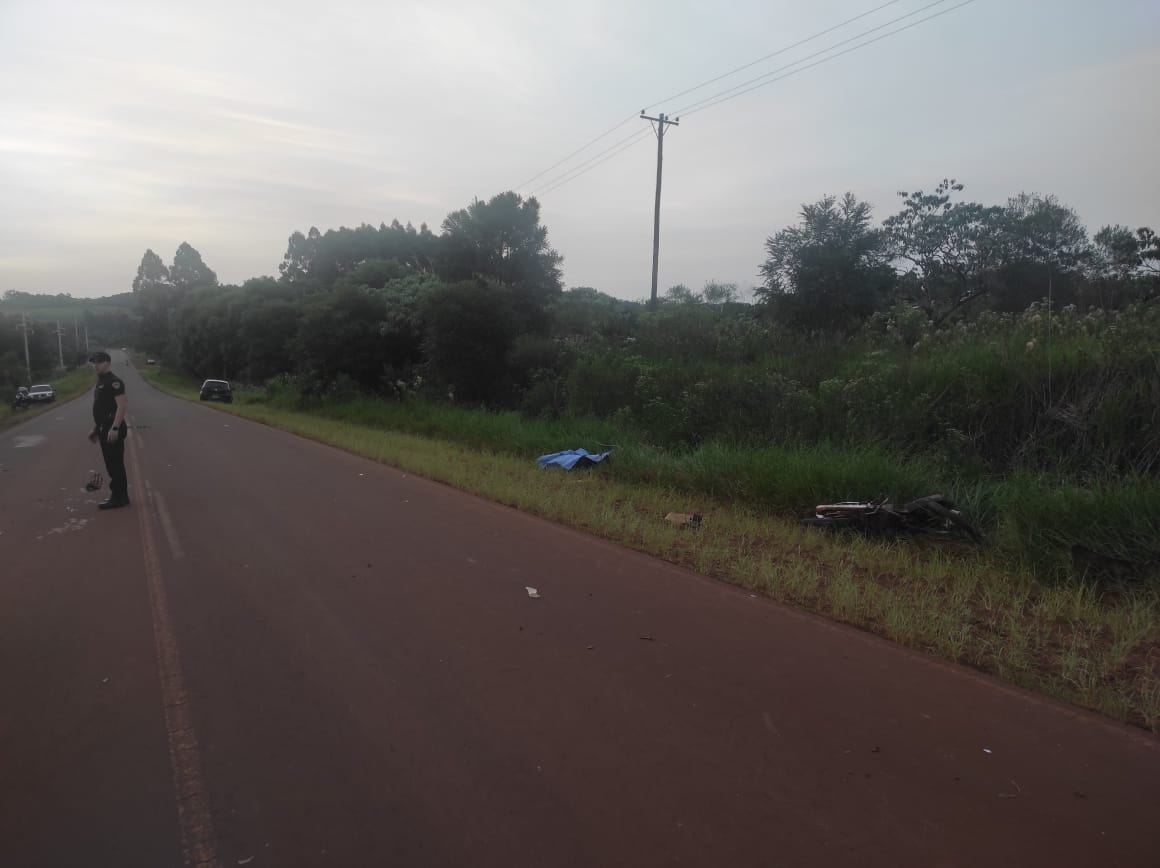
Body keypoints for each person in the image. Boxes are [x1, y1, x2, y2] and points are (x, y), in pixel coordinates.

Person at [88, 350, 130, 509]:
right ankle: (120, 496)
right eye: (94, 362)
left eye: (98, 362)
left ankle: (119, 497)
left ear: (107, 362)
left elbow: (121, 406)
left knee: (115, 464)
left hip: (112, 429)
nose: (95, 365)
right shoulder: (100, 381)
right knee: (111, 464)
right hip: (103, 428)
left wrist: (115, 428)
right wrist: (95, 428)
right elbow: (102, 408)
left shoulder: (114, 382)